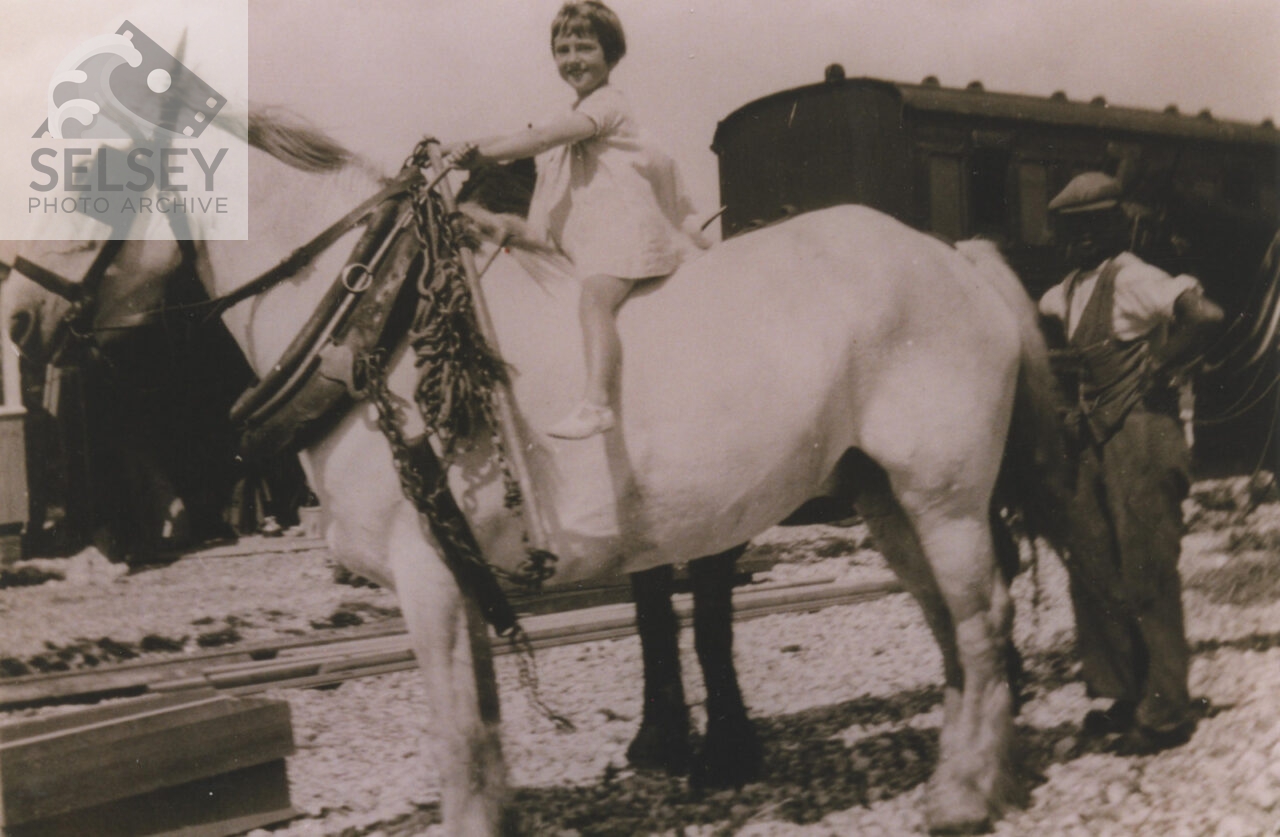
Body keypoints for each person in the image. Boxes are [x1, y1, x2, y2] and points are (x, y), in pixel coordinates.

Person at [444, 1, 708, 439]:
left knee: (594, 300)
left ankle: (597, 403)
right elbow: (526, 135)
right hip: (588, 241)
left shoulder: (608, 105)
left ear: (611, 54)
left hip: (623, 239)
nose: (572, 60)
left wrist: (481, 154)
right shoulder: (570, 112)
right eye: (562, 51)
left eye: (584, 48)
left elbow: (540, 138)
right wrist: (464, 147)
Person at [1039, 171, 1223, 755]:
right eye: (1073, 227)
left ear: (1117, 223)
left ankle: (1166, 714)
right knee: (1095, 568)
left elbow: (1205, 315)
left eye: (1094, 225)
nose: (1084, 237)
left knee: (1146, 570)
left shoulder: (1135, 277)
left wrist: (1165, 364)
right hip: (1092, 441)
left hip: (1144, 434)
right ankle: (1124, 694)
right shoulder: (1063, 291)